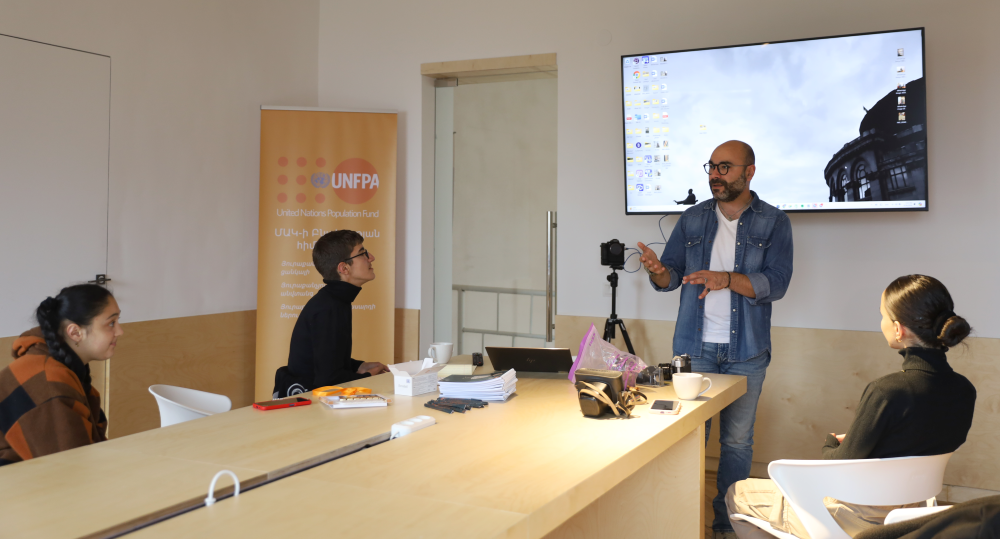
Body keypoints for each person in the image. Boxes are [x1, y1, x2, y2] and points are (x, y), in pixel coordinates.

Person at [727, 275, 976, 539]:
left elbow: (839, 463)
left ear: (898, 329)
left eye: (882, 316)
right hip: (912, 517)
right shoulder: (964, 390)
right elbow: (918, 442)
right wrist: (867, 442)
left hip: (856, 519)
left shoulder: (886, 391)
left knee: (737, 494)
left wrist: (830, 443)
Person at [638, 140, 794, 538]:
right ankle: (682, 522)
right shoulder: (691, 219)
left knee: (737, 444)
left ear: (749, 172)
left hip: (747, 351)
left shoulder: (774, 222)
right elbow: (671, 276)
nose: (714, 175)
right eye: (711, 167)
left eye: (725, 167)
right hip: (694, 349)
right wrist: (658, 271)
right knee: (688, 439)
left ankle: (727, 527)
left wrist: (724, 279)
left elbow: (776, 284)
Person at [0, 284, 123, 465]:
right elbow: (71, 469)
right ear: (75, 332)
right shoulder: (49, 381)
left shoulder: (59, 367)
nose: (120, 331)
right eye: (111, 323)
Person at [272, 230, 389, 398]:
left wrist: (359, 366)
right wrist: (368, 377)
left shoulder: (334, 301)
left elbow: (326, 359)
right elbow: (328, 381)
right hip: (309, 405)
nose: (371, 257)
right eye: (362, 253)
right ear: (343, 268)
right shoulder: (329, 308)